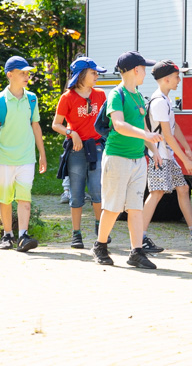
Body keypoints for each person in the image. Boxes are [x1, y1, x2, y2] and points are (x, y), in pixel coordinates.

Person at [140, 60, 192, 253]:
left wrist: (186, 149)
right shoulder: (159, 102)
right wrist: (185, 159)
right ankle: (139, 237)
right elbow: (167, 135)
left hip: (167, 154)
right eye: (177, 76)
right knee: (156, 193)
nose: (180, 80)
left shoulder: (165, 99)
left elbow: (173, 129)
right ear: (166, 79)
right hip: (159, 155)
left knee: (183, 188)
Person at [92, 51, 163, 269]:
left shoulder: (139, 96)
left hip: (137, 160)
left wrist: (153, 149)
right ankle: (100, 246)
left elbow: (143, 128)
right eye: (144, 68)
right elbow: (119, 125)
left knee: (135, 208)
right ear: (135, 70)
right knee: (113, 208)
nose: (146, 72)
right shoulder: (116, 94)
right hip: (117, 158)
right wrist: (145, 136)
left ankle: (136, 252)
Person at [0, 56, 47, 252]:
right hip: (3, 158)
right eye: (22, 73)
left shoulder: (32, 98)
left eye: (28, 72)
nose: (27, 76)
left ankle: (23, 236)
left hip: (27, 157)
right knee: (4, 199)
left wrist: (42, 154)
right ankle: (7, 235)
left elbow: (36, 127)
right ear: (10, 75)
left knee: (24, 197)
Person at [52, 57, 108, 249]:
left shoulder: (101, 95)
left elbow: (106, 122)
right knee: (76, 193)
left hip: (97, 148)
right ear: (82, 75)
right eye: (93, 73)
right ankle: (76, 234)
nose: (97, 76)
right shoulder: (67, 97)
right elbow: (56, 124)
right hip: (75, 150)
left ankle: (101, 229)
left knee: (96, 190)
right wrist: (71, 133)